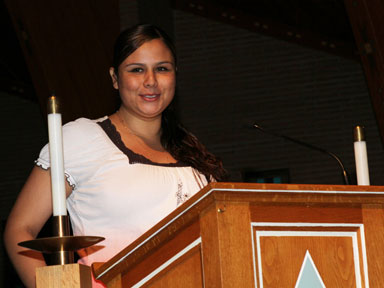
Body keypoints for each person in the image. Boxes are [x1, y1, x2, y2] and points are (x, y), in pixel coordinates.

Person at [4, 24, 227, 287]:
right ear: (114, 77)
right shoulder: (81, 139)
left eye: (162, 68)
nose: (151, 81)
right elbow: (20, 230)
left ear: (175, 74)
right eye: (136, 69)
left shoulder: (197, 161)